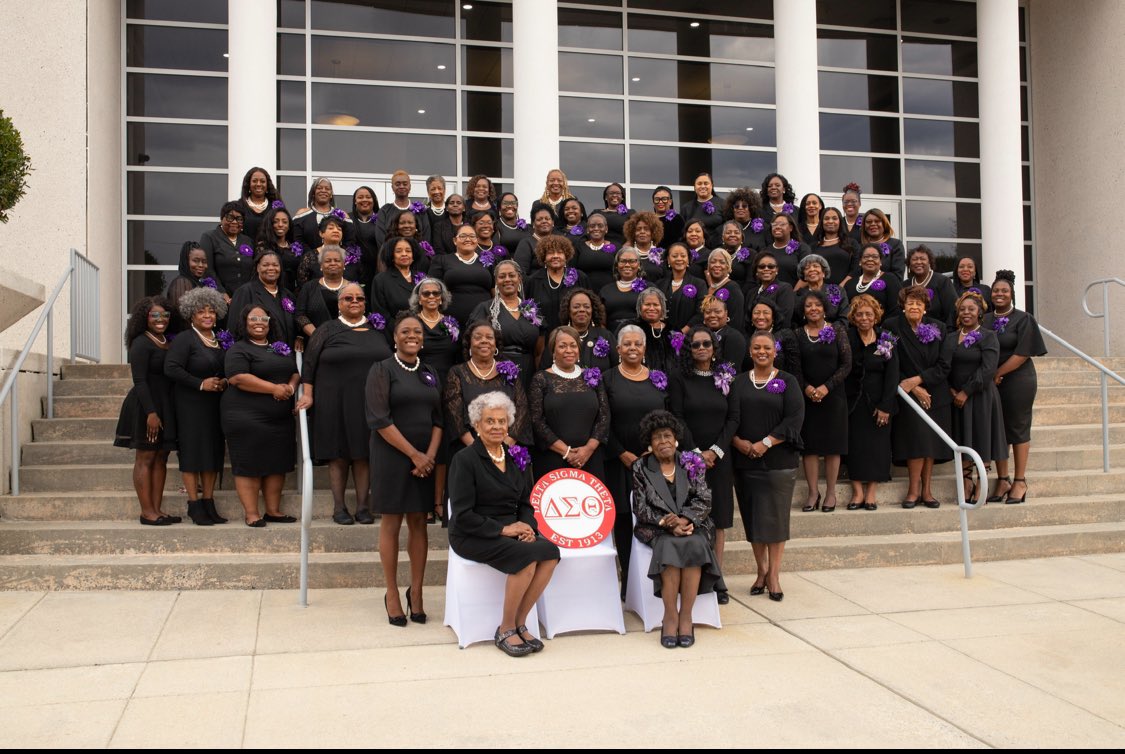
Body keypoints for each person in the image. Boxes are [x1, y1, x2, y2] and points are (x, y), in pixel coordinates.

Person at [448, 392, 561, 657]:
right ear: (477, 425)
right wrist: (504, 530)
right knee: (526, 557)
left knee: (550, 552)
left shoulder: (515, 456)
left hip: (512, 529)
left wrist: (527, 527)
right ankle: (505, 628)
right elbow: (462, 515)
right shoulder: (465, 460)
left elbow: (526, 503)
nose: (497, 426)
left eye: (501, 421)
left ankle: (520, 622)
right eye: (490, 421)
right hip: (473, 533)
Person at [366, 313, 443, 626]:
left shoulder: (429, 372)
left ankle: (417, 592)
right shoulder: (382, 369)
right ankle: (392, 593)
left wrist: (429, 457)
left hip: (425, 459)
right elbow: (379, 419)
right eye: (405, 331)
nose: (412, 335)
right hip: (392, 455)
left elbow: (439, 420)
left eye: (417, 331)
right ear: (395, 337)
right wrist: (414, 455)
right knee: (392, 522)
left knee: (419, 523)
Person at [296, 283, 390, 525]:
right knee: (338, 455)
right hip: (332, 400)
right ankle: (339, 508)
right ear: (339, 304)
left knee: (364, 454)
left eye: (359, 298)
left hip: (369, 401)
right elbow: (309, 364)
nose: (354, 301)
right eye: (348, 298)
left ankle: (363, 507)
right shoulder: (326, 329)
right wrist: (308, 394)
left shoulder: (378, 330)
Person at [632, 410, 724, 648]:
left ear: (676, 439)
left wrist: (685, 519)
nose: (663, 441)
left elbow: (704, 498)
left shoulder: (691, 462)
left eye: (667, 436)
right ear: (650, 443)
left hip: (693, 525)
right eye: (657, 437)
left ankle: (686, 617)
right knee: (669, 545)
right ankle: (670, 616)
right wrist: (667, 523)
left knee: (694, 543)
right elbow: (640, 507)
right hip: (657, 527)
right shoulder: (641, 467)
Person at [727, 331, 805, 601]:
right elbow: (730, 417)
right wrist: (737, 442)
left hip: (778, 462)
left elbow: (795, 418)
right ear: (750, 352)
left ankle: (774, 575)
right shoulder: (738, 382)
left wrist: (766, 443)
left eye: (767, 348)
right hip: (745, 461)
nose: (762, 352)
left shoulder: (787, 381)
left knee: (775, 521)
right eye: (757, 348)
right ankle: (761, 570)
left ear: (775, 351)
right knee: (753, 519)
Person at [603, 324, 671, 594]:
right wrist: (622, 453)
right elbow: (602, 421)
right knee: (623, 521)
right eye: (627, 344)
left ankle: (653, 582)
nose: (633, 348)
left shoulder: (657, 378)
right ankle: (628, 583)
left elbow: (666, 418)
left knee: (654, 519)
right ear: (618, 349)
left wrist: (655, 450)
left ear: (644, 348)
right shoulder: (608, 379)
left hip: (653, 462)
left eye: (638, 344)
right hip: (619, 460)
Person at [669, 326, 735, 602]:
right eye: (695, 345)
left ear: (714, 347)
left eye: (706, 343)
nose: (701, 348)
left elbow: (733, 418)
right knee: (694, 515)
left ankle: (717, 576)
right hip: (689, 459)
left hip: (720, 459)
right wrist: (697, 453)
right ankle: (695, 575)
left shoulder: (725, 376)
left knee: (718, 518)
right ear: (688, 349)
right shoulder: (679, 378)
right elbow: (677, 417)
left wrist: (715, 452)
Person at [221, 305, 300, 527]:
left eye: (263, 318)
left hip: (279, 419)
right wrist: (274, 389)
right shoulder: (238, 349)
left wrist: (290, 387)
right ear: (244, 322)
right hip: (246, 416)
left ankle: (273, 511)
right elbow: (238, 378)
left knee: (277, 462)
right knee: (250, 463)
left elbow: (294, 372)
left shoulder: (278, 348)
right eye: (253, 318)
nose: (259, 323)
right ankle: (252, 514)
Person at [884, 285, 956, 509]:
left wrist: (918, 380)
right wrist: (912, 387)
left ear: (925, 307)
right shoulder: (891, 326)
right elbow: (888, 361)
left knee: (930, 444)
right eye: (910, 303)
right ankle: (913, 490)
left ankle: (927, 491)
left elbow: (944, 365)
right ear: (903, 306)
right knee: (916, 442)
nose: (914, 306)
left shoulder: (939, 327)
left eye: (918, 303)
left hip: (935, 394)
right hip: (907, 395)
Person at [164, 287, 228, 526]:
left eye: (211, 311)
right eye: (201, 311)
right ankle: (194, 504)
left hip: (214, 406)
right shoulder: (185, 339)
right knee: (192, 455)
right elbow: (171, 368)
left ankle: (208, 502)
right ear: (191, 314)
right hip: (190, 406)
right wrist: (200, 384)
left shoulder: (219, 340)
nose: (207, 315)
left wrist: (223, 381)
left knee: (212, 454)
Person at [114, 296, 179, 525]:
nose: (161, 319)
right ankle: (147, 512)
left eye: (165, 315)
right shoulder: (141, 342)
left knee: (161, 456)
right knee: (146, 456)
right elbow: (140, 381)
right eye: (155, 315)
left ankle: (157, 510)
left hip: (165, 404)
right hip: (146, 405)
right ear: (145, 318)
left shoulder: (167, 340)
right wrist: (151, 413)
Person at [984, 270, 1047, 504]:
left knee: (1018, 428)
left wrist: (997, 373)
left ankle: (1020, 481)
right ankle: (1003, 479)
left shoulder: (1024, 319)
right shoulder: (984, 319)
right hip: (992, 381)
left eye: (1004, 291)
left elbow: (1023, 353)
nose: (999, 294)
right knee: (998, 429)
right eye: (995, 291)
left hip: (1018, 380)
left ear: (1012, 294)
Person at [947, 291, 1008, 501]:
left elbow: (988, 369)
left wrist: (966, 391)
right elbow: (944, 365)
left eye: (971, 309)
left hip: (981, 396)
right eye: (962, 309)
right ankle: (966, 481)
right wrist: (951, 390)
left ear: (980, 312)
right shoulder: (950, 338)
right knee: (963, 438)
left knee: (982, 436)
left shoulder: (988, 336)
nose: (966, 312)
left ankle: (982, 483)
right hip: (956, 397)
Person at [528, 326, 610, 481]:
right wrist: (566, 452)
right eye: (562, 346)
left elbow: (604, 416)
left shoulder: (593, 376)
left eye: (573, 345)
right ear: (553, 351)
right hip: (553, 459)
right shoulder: (540, 379)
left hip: (590, 458)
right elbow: (536, 420)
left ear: (579, 350)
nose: (569, 350)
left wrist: (588, 449)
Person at [795, 290, 852, 512]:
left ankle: (830, 493)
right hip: (807, 398)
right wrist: (807, 388)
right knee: (809, 448)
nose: (813, 309)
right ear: (803, 310)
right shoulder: (798, 334)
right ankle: (812, 492)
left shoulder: (837, 330)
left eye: (817, 305)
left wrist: (826, 387)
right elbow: (795, 367)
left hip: (833, 396)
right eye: (808, 305)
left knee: (832, 446)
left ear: (825, 308)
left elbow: (846, 364)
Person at [444, 320, 531, 459]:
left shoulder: (509, 371)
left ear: (495, 344)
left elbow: (522, 408)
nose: (484, 341)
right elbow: (455, 417)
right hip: (469, 451)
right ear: (469, 344)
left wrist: (503, 447)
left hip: (506, 450)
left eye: (489, 337)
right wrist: (478, 450)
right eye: (478, 337)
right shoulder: (457, 373)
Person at [844, 295, 899, 510]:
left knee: (878, 446)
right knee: (855, 445)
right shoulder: (847, 337)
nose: (864, 318)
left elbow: (892, 375)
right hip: (852, 402)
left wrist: (885, 406)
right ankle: (857, 492)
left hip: (879, 403)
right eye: (859, 314)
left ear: (876, 316)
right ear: (853, 317)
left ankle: (871, 493)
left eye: (869, 314)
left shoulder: (886, 338)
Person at [470, 259, 541, 388]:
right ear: (496, 281)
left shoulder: (532, 309)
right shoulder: (485, 309)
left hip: (528, 369)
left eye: (512, 275)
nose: (507, 279)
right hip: (496, 369)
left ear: (519, 278)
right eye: (502, 276)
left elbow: (539, 350)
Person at [427, 224, 495, 327]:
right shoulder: (442, 260)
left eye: (472, 236)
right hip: (451, 322)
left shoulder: (489, 261)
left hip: (484, 319)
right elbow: (431, 289)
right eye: (463, 236)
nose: (468, 239)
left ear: (477, 240)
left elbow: (495, 290)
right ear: (455, 240)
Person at [228, 250, 298, 347]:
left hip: (287, 353)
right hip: (257, 352)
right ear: (258, 268)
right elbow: (234, 327)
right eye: (265, 265)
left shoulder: (288, 295)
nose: (271, 268)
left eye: (275, 265)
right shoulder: (245, 292)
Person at [525, 235, 589, 333]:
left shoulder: (580, 277)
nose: (555, 256)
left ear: (566, 256)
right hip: (543, 336)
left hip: (573, 335)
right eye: (550, 253)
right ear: (544, 257)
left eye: (560, 252)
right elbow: (527, 309)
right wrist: (540, 329)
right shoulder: (533, 280)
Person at [549, 288, 616, 371]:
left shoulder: (606, 336)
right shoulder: (558, 336)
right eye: (576, 307)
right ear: (568, 310)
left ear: (592, 310)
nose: (582, 310)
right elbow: (546, 369)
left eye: (586, 307)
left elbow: (617, 369)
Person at [198, 200, 255, 298]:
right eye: (230, 218)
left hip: (245, 297)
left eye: (239, 219)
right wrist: (222, 293)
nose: (234, 222)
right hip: (218, 297)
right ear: (221, 219)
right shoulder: (210, 237)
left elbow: (253, 270)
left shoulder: (248, 240)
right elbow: (207, 270)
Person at [411, 277, 461, 386]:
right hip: (419, 380)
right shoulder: (412, 324)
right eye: (426, 294)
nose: (431, 296)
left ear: (441, 298)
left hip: (449, 381)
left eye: (436, 293)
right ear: (419, 299)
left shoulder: (452, 324)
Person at [295, 247, 352, 339]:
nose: (332, 263)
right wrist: (318, 336)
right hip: (317, 341)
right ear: (321, 265)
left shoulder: (354, 289)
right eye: (328, 261)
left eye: (337, 260)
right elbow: (300, 315)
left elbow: (361, 316)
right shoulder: (309, 287)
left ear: (344, 264)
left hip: (348, 340)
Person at [296, 214, 361, 289]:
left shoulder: (351, 257)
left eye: (339, 229)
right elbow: (302, 285)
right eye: (331, 228)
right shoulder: (310, 257)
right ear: (321, 233)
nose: (336, 231)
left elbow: (359, 281)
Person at [292, 177, 355, 251]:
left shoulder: (342, 215)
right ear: (313, 193)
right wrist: (313, 255)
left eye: (327, 189)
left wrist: (336, 255)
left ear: (331, 194)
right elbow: (297, 240)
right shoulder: (302, 214)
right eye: (319, 188)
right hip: (308, 257)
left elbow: (350, 241)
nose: (323, 191)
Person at [844, 243, 902, 320]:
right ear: (860, 261)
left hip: (884, 326)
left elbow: (896, 310)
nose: (870, 259)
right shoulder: (850, 283)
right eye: (866, 257)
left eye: (875, 257)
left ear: (880, 262)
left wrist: (883, 327)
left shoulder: (891, 279)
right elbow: (846, 310)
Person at [372, 236, 426, 318]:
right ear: (391, 255)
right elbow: (381, 314)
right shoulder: (381, 280)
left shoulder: (423, 278)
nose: (404, 254)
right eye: (398, 251)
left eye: (408, 251)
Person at [164, 242, 215, 331]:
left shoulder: (198, 283)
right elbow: (184, 319)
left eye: (204, 262)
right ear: (186, 261)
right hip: (186, 336)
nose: (201, 265)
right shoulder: (182, 282)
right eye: (196, 261)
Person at [658, 242, 706, 333]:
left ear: (688, 259)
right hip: (662, 334)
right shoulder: (660, 284)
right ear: (668, 260)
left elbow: (701, 313)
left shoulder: (699, 284)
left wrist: (681, 333)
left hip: (689, 335)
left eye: (683, 256)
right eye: (674, 256)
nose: (679, 259)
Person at [375, 170, 430, 248]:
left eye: (405, 184)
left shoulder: (420, 211)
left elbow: (426, 237)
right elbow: (380, 239)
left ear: (410, 186)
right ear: (392, 187)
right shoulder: (384, 211)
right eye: (397, 184)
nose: (401, 186)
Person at [748, 299, 802, 380]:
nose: (761, 317)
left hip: (781, 384)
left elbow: (795, 370)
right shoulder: (746, 337)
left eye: (766, 313)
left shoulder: (786, 336)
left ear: (773, 317)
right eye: (756, 313)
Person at [600, 246, 649, 333]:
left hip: (641, 336)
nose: (627, 265)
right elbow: (601, 323)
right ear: (616, 265)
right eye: (623, 261)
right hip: (612, 336)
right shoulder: (605, 290)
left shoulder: (648, 289)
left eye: (632, 261)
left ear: (639, 265)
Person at [906, 244, 958, 325]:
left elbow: (952, 312)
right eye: (914, 259)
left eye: (922, 259)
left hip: (938, 330)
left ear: (929, 262)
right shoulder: (905, 285)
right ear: (909, 264)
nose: (918, 262)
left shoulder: (943, 282)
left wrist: (947, 331)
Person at [744, 249, 796, 330]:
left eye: (771, 266)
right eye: (761, 267)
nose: (766, 269)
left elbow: (784, 320)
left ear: (777, 270)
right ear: (756, 271)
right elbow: (747, 319)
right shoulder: (751, 293)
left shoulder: (784, 288)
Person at [793, 254, 849, 327]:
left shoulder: (837, 291)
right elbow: (794, 322)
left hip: (835, 332)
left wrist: (828, 331)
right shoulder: (796, 296)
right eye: (807, 268)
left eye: (816, 266)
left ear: (824, 273)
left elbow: (844, 318)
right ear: (804, 276)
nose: (811, 269)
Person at [255, 205, 302, 293]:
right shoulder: (263, 246)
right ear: (270, 224)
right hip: (269, 291)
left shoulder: (294, 247)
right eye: (276, 222)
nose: (280, 225)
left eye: (285, 222)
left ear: (289, 226)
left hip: (291, 293)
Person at [631, 287, 678, 373]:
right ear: (640, 307)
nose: (652, 308)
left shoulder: (674, 331)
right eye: (647, 304)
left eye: (656, 305)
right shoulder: (631, 328)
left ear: (662, 307)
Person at [700, 293, 746, 373]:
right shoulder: (699, 335)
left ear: (726, 313)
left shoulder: (734, 337)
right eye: (708, 312)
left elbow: (731, 371)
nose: (712, 315)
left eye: (717, 312)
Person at [855, 208, 905, 281]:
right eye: (869, 222)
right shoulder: (859, 246)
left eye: (877, 221)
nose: (873, 224)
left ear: (884, 224)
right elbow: (855, 273)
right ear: (864, 226)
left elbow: (898, 276)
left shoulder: (895, 244)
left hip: (887, 286)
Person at [572, 211, 616, 292]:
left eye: (600, 226)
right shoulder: (579, 247)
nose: (596, 228)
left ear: (606, 229)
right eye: (592, 226)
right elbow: (572, 270)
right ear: (588, 229)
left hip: (609, 293)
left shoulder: (616, 246)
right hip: (584, 292)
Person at [813, 206, 858, 286]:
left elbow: (856, 268)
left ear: (840, 221)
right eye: (826, 218)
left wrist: (841, 287)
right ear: (821, 222)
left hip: (845, 289)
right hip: (819, 291)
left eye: (834, 218)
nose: (830, 221)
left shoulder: (851, 243)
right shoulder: (814, 246)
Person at [702, 249, 746, 331]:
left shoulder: (733, 289)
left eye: (722, 262)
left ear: (728, 267)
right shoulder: (706, 288)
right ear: (708, 266)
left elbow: (736, 322)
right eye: (713, 262)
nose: (717, 265)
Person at [237, 166, 281, 244]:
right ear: (248, 184)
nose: (258, 184)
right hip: (244, 250)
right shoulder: (239, 206)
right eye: (254, 181)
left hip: (271, 250)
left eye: (262, 181)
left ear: (267, 185)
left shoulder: (276, 207)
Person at [765, 213, 810, 288]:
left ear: (791, 228)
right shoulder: (765, 251)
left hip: (795, 293)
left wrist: (792, 293)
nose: (777, 227)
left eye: (782, 224)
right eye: (774, 225)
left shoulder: (802, 248)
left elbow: (808, 274)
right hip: (770, 294)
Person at [680, 172, 725, 246]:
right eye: (699, 184)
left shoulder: (723, 204)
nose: (703, 186)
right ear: (694, 187)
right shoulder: (686, 208)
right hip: (694, 249)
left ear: (712, 185)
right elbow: (682, 232)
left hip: (718, 248)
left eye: (706, 183)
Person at [513, 206, 558, 276]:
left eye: (547, 219)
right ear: (533, 224)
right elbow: (520, 273)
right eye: (539, 219)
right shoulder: (526, 243)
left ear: (553, 222)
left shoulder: (559, 242)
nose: (544, 221)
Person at [622, 210, 666, 283]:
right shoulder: (627, 254)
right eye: (638, 229)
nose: (642, 232)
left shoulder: (663, 255)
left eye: (646, 229)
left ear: (653, 232)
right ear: (633, 233)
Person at [351, 185, 380, 278]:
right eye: (360, 197)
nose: (364, 200)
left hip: (377, 271)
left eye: (368, 197)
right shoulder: (347, 219)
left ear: (374, 200)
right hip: (353, 270)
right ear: (355, 201)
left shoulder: (382, 220)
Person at [719, 220, 754, 287]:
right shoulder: (718, 253)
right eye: (728, 232)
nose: (732, 235)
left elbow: (751, 281)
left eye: (736, 233)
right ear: (723, 237)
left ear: (742, 237)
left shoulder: (751, 254)